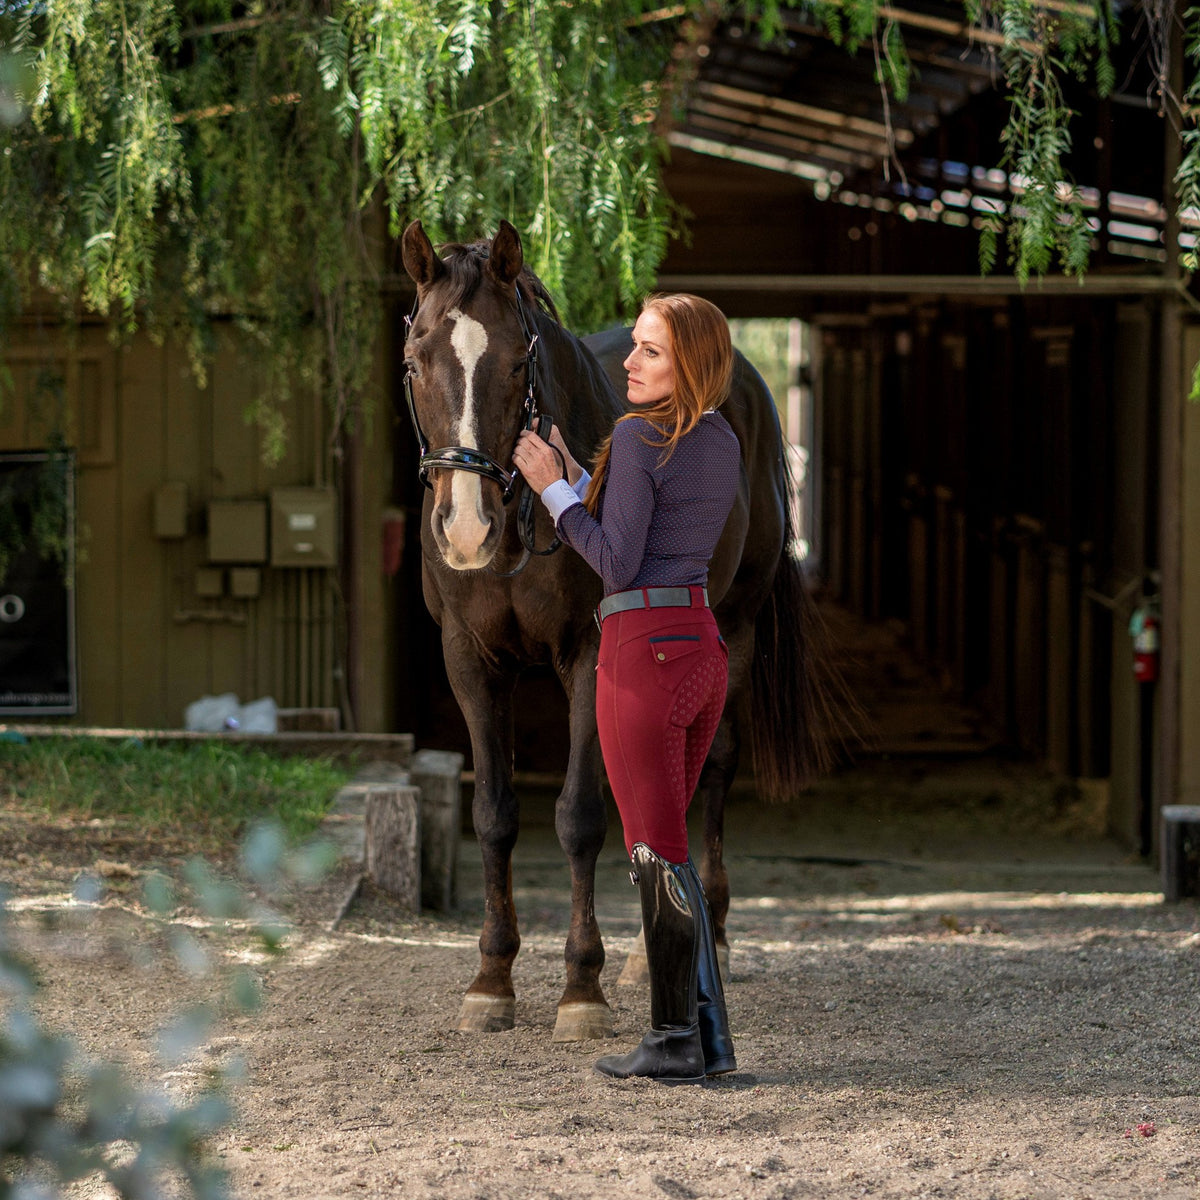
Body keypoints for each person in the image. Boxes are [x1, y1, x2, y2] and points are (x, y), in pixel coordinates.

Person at [512, 293, 742, 1085]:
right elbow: (650, 523)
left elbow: (615, 560)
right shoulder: (718, 437)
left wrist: (551, 491)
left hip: (644, 654)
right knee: (670, 850)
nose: (630, 362)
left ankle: (673, 1038)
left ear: (691, 363)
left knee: (654, 853)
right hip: (701, 649)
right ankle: (708, 1037)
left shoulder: (641, 437)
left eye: (651, 351)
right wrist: (577, 474)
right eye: (635, 345)